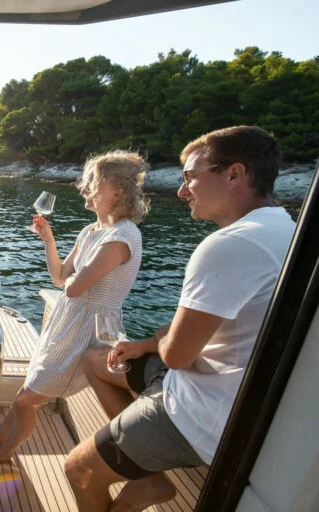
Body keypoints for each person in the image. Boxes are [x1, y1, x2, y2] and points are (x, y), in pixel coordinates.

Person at [65, 126, 297, 512]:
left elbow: (175, 356)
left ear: (235, 174)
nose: (182, 190)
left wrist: (160, 338)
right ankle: (144, 473)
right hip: (223, 387)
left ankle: (143, 467)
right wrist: (147, 344)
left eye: (190, 176)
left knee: (79, 470)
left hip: (200, 412)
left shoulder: (229, 245)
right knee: (95, 361)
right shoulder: (285, 229)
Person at [0, 150, 150, 463]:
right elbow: (60, 278)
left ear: (117, 193)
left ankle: (4, 452)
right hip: (67, 321)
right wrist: (49, 240)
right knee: (28, 388)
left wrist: (74, 278)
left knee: (28, 398)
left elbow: (75, 288)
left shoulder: (123, 236)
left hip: (88, 330)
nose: (83, 188)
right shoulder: (91, 231)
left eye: (93, 182)